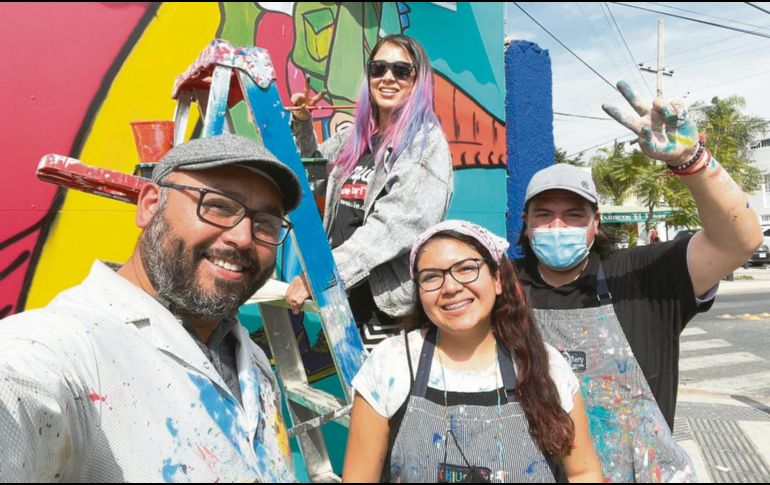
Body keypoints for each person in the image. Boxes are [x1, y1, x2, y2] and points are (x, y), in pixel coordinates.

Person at [0, 134, 302, 482]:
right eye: (218, 206)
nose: (244, 237)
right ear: (150, 206)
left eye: (266, 223)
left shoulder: (252, 358)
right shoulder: (64, 347)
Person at [517, 81, 763, 482]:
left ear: (596, 224)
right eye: (544, 214)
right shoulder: (502, 288)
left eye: (574, 214)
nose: (558, 226)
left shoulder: (644, 275)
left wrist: (692, 161)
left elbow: (740, 241)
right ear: (525, 224)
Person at [343, 220, 603, 483]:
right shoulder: (390, 364)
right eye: (431, 276)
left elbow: (583, 473)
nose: (451, 287)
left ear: (497, 279)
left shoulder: (544, 366)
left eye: (466, 269)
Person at [285, 34, 453, 351]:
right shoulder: (356, 139)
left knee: (384, 384)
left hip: (388, 313)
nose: (387, 77)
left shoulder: (424, 144)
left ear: (418, 82)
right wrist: (302, 122)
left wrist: (323, 273)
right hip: (346, 299)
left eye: (401, 70)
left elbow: (394, 226)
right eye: (378, 68)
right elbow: (312, 177)